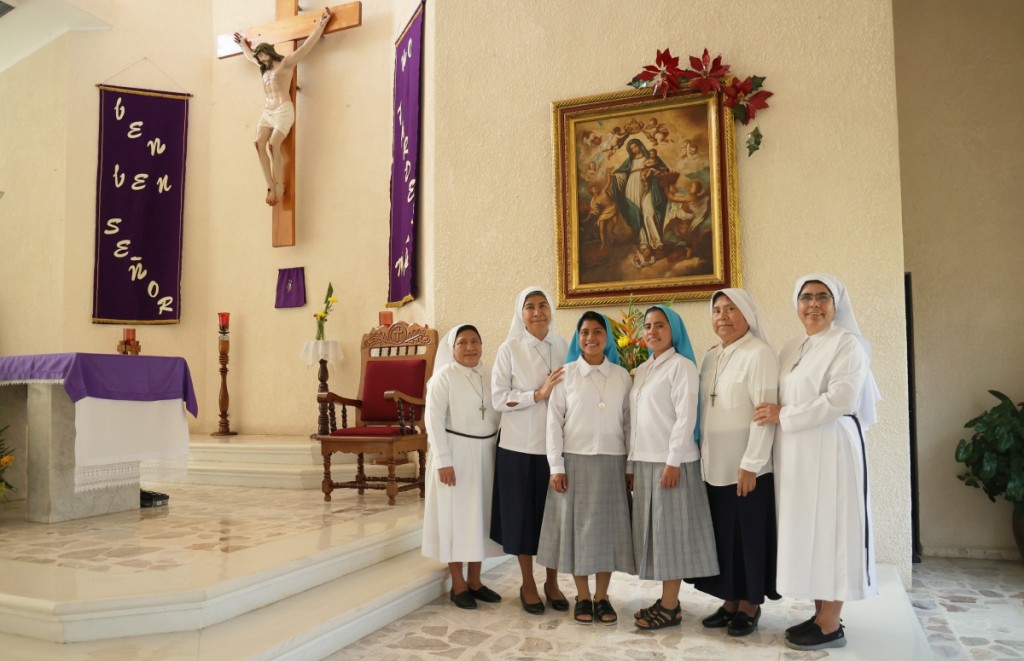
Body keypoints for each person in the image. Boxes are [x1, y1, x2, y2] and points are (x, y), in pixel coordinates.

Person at [753, 273, 882, 651]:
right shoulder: (794, 346)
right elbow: (775, 388)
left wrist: (784, 416)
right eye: (806, 297)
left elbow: (841, 399)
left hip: (833, 449)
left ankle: (830, 624)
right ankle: (819, 612)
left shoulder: (848, 345)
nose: (813, 304)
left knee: (833, 530)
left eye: (822, 297)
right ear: (796, 304)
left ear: (835, 304)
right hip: (798, 453)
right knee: (809, 532)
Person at [690, 289, 781, 636]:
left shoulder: (759, 354)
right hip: (714, 465)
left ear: (747, 314)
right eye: (717, 310)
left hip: (746, 467)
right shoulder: (712, 357)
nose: (723, 316)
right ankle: (728, 601)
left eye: (731, 309)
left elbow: (764, 413)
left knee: (748, 537)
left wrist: (752, 463)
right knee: (723, 537)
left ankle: (749, 605)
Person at [537, 311, 635, 625]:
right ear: (578, 338)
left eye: (597, 332)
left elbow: (629, 424)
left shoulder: (621, 376)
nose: (590, 338)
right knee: (577, 532)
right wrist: (556, 466)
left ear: (606, 338)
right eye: (584, 333)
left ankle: (602, 597)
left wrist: (629, 464)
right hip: (573, 462)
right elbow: (553, 424)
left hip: (612, 461)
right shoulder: (565, 374)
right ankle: (581, 595)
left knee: (606, 531)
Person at [629, 305, 719, 630]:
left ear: (673, 331)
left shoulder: (682, 367)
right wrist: (631, 463)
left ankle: (669, 607)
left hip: (673, 464)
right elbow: (636, 424)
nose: (652, 331)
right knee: (656, 535)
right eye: (648, 326)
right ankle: (669, 601)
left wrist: (673, 460)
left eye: (660, 326)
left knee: (672, 535)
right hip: (645, 462)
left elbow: (686, 417)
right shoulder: (642, 370)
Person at [491, 287, 571, 614]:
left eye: (542, 306)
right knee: (522, 519)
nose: (537, 312)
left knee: (553, 519)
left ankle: (553, 582)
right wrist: (538, 393)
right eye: (530, 307)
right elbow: (499, 399)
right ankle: (527, 582)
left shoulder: (564, 346)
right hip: (518, 448)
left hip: (556, 449)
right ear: (520, 313)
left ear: (551, 309)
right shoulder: (509, 349)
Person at [421, 324, 503, 609]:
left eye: (475, 342)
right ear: (452, 348)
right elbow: (433, 421)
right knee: (456, 518)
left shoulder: (490, 373)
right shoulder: (443, 378)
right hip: (455, 454)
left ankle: (476, 581)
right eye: (463, 343)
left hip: (486, 453)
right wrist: (443, 460)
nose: (470, 348)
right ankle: (458, 582)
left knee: (480, 517)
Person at [234, 8, 331, 206]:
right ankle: (270, 185)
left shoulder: (285, 64)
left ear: (268, 52)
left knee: (272, 145)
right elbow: (248, 55)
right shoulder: (263, 68)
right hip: (267, 111)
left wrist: (321, 25)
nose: (259, 59)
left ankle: (279, 184)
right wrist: (243, 44)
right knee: (258, 143)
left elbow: (305, 49)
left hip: (283, 110)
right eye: (258, 57)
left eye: (261, 55)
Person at [611, 139, 669, 256]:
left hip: (649, 186)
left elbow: (664, 169)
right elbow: (621, 173)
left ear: (640, 145)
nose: (634, 150)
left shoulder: (650, 156)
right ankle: (644, 244)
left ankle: (657, 242)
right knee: (637, 214)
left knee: (649, 212)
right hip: (632, 186)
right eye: (631, 148)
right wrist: (615, 176)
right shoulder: (630, 161)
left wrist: (655, 172)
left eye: (635, 147)